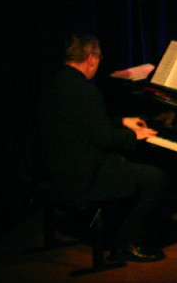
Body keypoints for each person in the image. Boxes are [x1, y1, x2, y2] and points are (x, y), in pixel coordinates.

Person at [37, 34, 168, 262]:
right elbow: (105, 139)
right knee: (155, 178)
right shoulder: (85, 91)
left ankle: (114, 229)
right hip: (82, 177)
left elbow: (85, 122)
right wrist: (134, 135)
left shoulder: (55, 83)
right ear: (90, 58)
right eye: (98, 58)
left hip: (52, 169)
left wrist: (121, 121)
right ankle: (127, 242)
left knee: (129, 168)